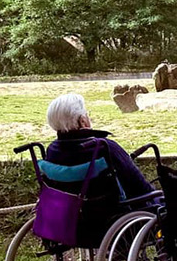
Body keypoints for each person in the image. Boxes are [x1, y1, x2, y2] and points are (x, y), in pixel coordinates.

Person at [42, 93, 158, 239]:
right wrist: (157, 196)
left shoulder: (52, 150)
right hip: (113, 223)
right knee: (163, 205)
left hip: (72, 224)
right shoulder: (104, 147)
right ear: (83, 121)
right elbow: (139, 186)